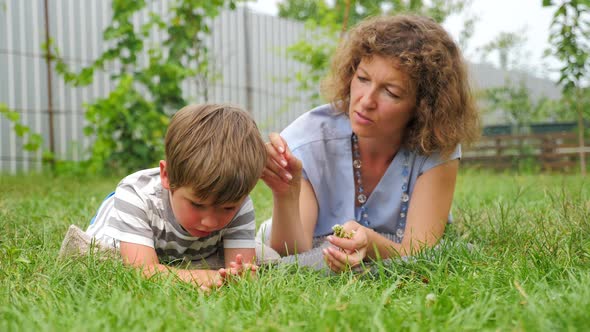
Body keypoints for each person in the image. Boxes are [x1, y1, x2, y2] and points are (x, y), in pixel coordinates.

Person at [260, 14, 480, 273]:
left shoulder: (436, 147)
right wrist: (285, 193)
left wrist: (371, 244)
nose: (366, 101)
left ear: (424, 107)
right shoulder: (308, 142)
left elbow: (421, 250)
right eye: (363, 79)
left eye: (391, 92)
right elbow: (292, 256)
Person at [82, 103, 268, 290]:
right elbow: (140, 272)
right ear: (167, 176)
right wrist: (203, 277)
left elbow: (244, 272)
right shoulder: (135, 197)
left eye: (228, 208)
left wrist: (238, 275)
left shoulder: (240, 203)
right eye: (197, 204)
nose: (210, 222)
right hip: (118, 229)